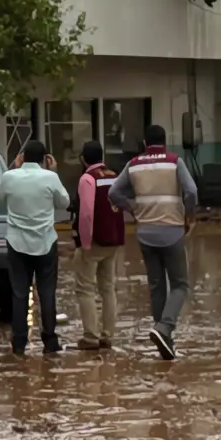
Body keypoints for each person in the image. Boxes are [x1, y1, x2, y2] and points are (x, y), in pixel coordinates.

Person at [109, 125, 199, 360]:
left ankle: (163, 338)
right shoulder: (174, 161)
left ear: (144, 143)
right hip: (172, 231)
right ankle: (164, 327)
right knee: (180, 285)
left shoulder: (133, 164)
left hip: (145, 233)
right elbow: (191, 191)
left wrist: (133, 209)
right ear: (165, 141)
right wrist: (189, 216)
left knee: (156, 286)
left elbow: (114, 193)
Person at [0, 139, 70, 356]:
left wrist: (14, 169)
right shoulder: (50, 177)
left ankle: (19, 343)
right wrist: (53, 172)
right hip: (46, 242)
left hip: (17, 243)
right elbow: (64, 203)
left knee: (19, 293)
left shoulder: (9, 177)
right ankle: (50, 341)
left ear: (22, 157)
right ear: (46, 159)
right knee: (47, 292)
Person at [72, 140, 124, 351]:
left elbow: (85, 213)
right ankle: (107, 335)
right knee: (108, 288)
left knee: (85, 288)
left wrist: (84, 242)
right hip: (113, 240)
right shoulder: (114, 176)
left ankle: (91, 337)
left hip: (94, 241)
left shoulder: (87, 179)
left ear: (83, 159)